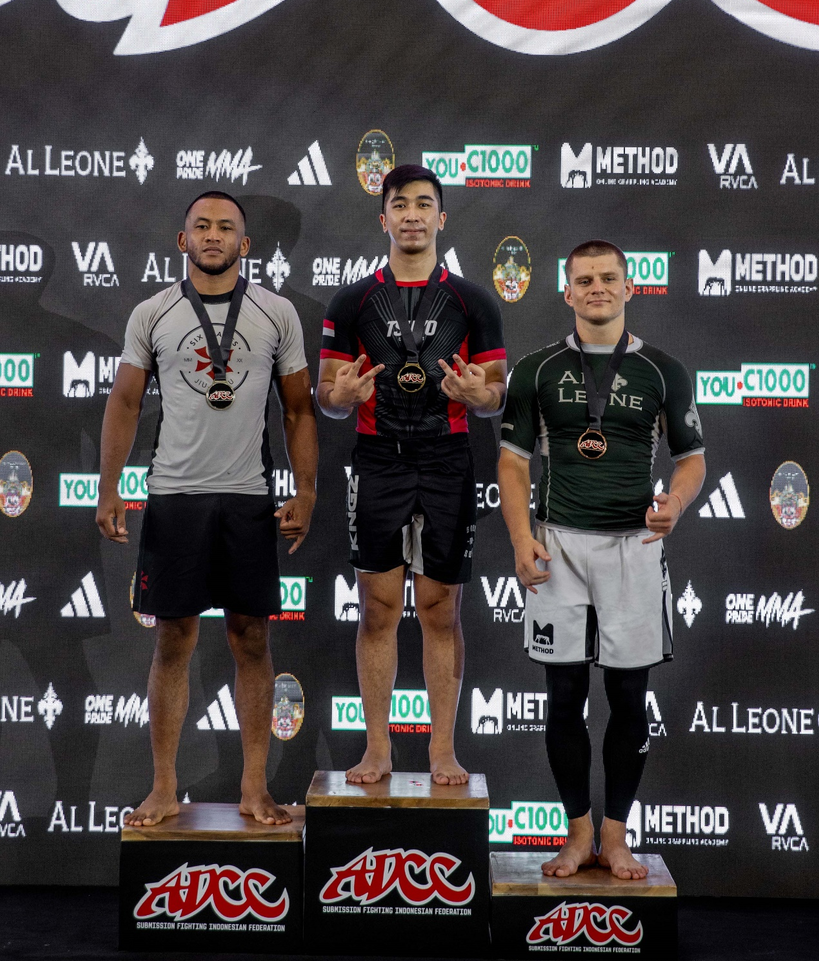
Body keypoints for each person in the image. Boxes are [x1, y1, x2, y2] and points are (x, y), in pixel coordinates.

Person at [96, 191, 318, 826]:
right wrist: (109, 488)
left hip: (248, 498)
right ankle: (164, 788)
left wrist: (305, 491)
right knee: (173, 639)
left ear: (245, 245)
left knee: (252, 638)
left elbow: (299, 410)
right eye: (201, 226)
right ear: (182, 239)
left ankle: (254, 788)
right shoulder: (153, 312)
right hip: (174, 497)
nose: (213, 235)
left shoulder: (276, 312)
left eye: (225, 227)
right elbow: (125, 401)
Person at [497, 240, 705, 879]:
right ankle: (577, 834)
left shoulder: (663, 370)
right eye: (584, 280)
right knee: (563, 695)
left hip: (632, 549)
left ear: (629, 287)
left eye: (608, 278)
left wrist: (677, 502)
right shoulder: (535, 369)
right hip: (559, 545)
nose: (597, 288)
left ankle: (615, 837)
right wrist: (520, 537)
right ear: (566, 292)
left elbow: (692, 460)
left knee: (628, 695)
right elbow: (512, 463)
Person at [317, 164, 506, 785]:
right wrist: (340, 397)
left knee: (440, 609)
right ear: (384, 219)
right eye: (401, 205)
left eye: (424, 204)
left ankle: (441, 751)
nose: (413, 215)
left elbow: (496, 393)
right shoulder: (351, 302)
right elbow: (327, 395)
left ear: (441, 218)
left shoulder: (474, 301)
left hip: (448, 459)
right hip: (378, 459)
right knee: (377, 609)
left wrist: (479, 396)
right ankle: (378, 749)